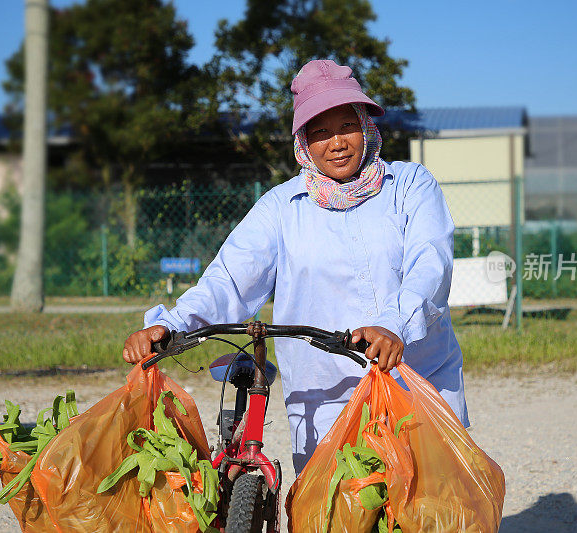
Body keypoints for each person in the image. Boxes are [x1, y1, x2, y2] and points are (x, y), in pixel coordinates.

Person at [123, 59, 468, 475]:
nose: (336, 143)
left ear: (366, 126)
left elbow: (429, 263)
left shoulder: (411, 185)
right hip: (326, 394)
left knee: (429, 508)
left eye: (346, 126)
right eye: (319, 132)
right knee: (333, 510)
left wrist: (396, 325)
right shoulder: (280, 208)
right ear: (303, 142)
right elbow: (230, 280)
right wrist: (173, 325)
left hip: (417, 380)